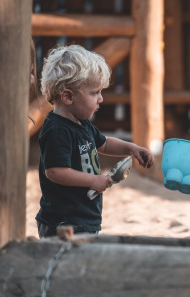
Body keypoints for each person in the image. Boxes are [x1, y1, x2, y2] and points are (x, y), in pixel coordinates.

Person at [36, 44, 154, 238]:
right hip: (63, 222)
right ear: (67, 96)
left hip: (84, 216)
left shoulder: (81, 123)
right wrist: (93, 180)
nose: (100, 99)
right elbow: (55, 172)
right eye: (94, 93)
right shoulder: (57, 129)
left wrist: (131, 148)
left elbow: (104, 144)